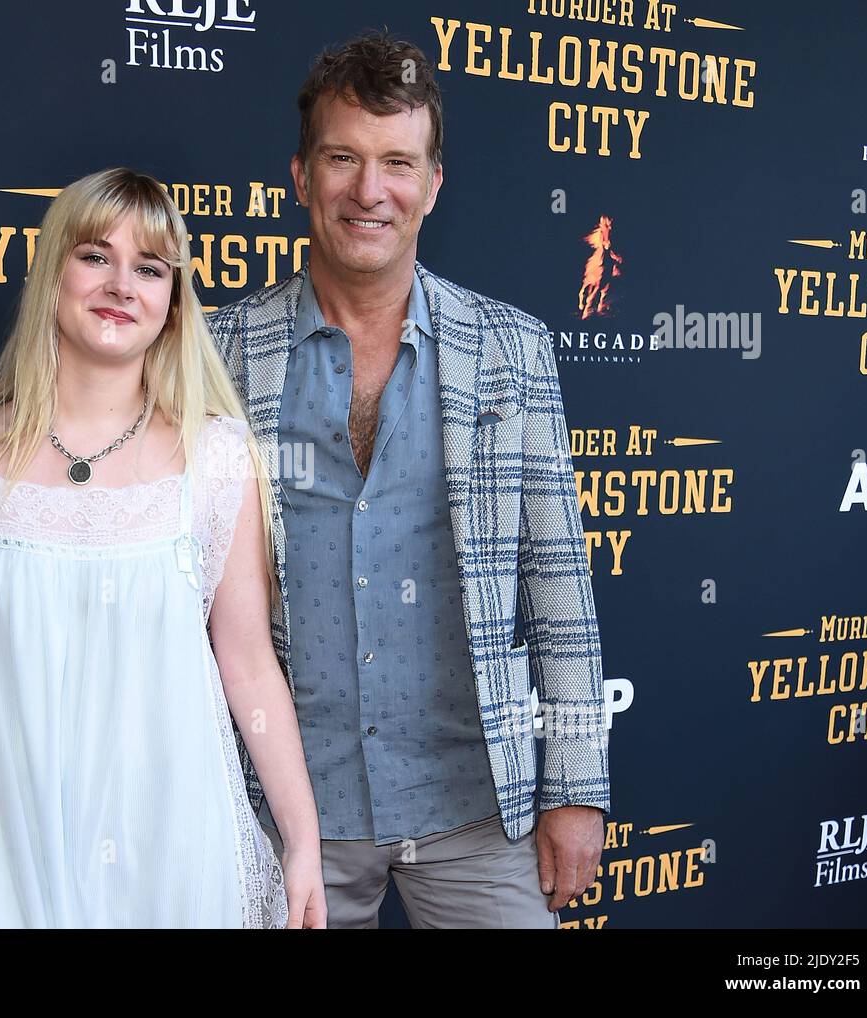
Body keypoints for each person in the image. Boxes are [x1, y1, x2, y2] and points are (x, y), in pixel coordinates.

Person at [205, 30, 610, 928]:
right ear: (301, 175)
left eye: (397, 162)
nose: (369, 190)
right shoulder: (214, 355)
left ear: (432, 183)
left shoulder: (510, 350)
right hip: (284, 812)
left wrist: (577, 784)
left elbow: (559, 585)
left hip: (476, 811)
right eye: (343, 158)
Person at [0, 167, 326, 929]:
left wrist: (302, 842)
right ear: (53, 271)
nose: (122, 284)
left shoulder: (218, 459)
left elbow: (250, 663)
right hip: (27, 855)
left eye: (151, 268)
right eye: (96, 255)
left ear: (172, 303)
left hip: (186, 859)